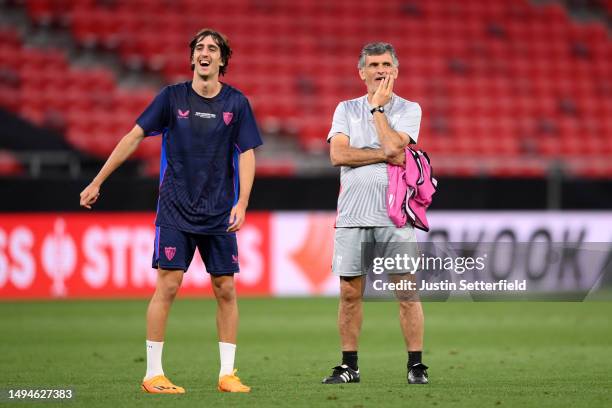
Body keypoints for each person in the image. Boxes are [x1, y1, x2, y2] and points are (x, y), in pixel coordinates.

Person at [79, 28, 262, 394]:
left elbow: (247, 154)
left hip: (219, 212)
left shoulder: (236, 104)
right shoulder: (171, 98)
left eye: (212, 48)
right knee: (169, 284)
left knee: (226, 288)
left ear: (223, 60)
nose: (205, 52)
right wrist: (97, 180)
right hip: (175, 209)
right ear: (192, 57)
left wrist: (242, 203)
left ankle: (227, 374)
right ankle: (152, 374)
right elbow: (132, 136)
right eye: (199, 48)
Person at [322, 42, 428, 385]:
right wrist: (383, 154)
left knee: (406, 292)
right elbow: (338, 156)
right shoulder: (345, 108)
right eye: (373, 65)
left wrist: (378, 111)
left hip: (394, 214)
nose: (380, 70)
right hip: (352, 214)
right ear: (362, 72)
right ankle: (349, 365)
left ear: (396, 71)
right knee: (350, 293)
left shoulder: (410, 108)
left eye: (386, 64)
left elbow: (398, 147)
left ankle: (416, 365)